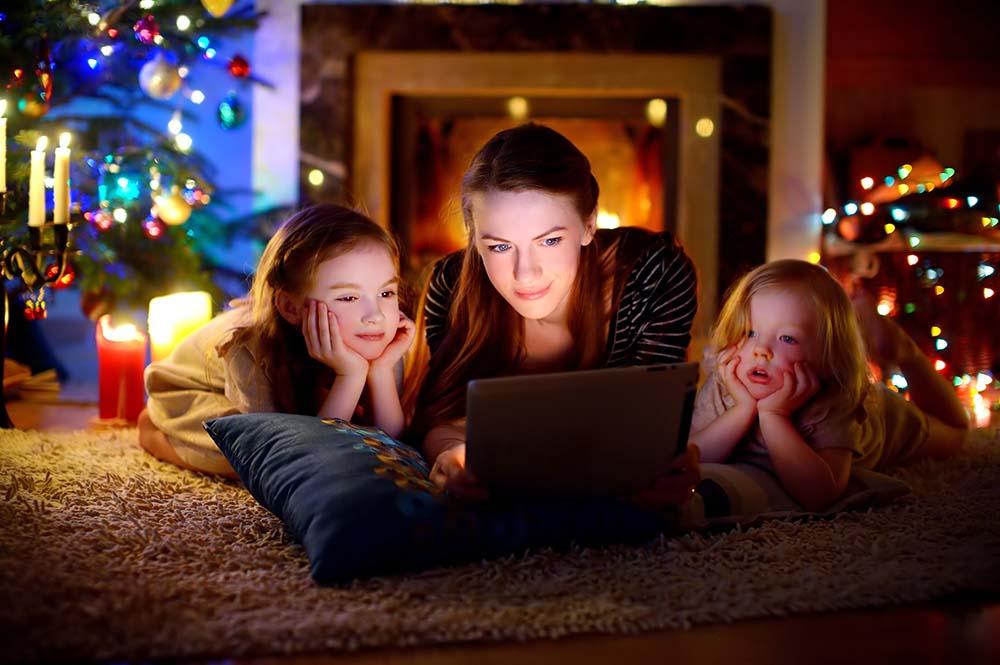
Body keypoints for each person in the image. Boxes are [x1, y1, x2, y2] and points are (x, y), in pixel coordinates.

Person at [404, 123, 700, 500]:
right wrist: (451, 456)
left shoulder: (653, 275)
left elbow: (654, 423)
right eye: (498, 247)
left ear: (589, 224)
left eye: (550, 240)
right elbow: (447, 417)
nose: (525, 273)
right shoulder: (452, 285)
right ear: (473, 237)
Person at [140, 204, 415, 476]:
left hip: (279, 407)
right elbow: (307, 461)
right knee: (255, 461)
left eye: (386, 293)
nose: (375, 315)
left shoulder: (382, 341)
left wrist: (379, 372)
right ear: (291, 308)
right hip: (188, 390)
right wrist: (351, 374)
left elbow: (394, 448)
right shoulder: (249, 351)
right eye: (348, 298)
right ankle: (152, 433)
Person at [690, 259, 968, 512]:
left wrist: (774, 416)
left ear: (827, 357)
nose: (761, 350)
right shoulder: (728, 381)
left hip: (883, 417)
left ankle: (907, 353)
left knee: (954, 434)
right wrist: (743, 409)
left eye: (787, 338)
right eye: (750, 332)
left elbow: (820, 495)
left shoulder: (834, 398)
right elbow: (692, 458)